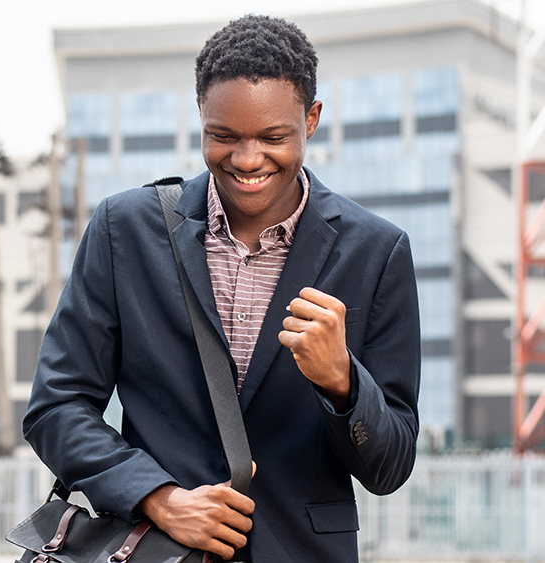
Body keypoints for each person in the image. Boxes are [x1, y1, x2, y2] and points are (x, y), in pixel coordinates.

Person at [23, 14, 421, 563]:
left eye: (273, 137)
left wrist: (343, 383)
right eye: (224, 136)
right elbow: (57, 405)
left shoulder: (377, 253)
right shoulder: (125, 230)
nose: (248, 159)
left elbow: (391, 466)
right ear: (201, 120)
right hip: (154, 550)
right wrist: (157, 498)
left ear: (312, 119)